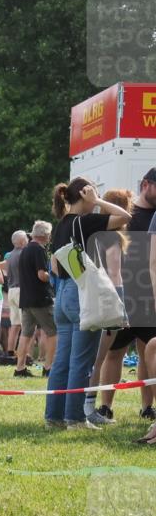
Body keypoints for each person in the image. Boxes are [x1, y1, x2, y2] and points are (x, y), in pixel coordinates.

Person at [45, 178, 131, 429]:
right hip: (81, 292)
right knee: (82, 361)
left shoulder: (61, 224)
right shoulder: (86, 221)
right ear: (84, 194)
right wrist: (98, 201)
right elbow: (124, 216)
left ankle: (54, 417)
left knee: (62, 361)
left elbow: (53, 264)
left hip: (61, 295)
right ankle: (75, 418)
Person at [95, 170, 156, 424]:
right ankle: (105, 406)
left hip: (150, 297)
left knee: (147, 352)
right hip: (123, 295)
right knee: (114, 353)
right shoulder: (127, 217)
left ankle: (147, 407)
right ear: (146, 185)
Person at [14, 221, 58, 378]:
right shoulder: (39, 250)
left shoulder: (24, 250)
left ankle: (19, 368)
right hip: (40, 299)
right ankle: (49, 367)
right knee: (54, 332)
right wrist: (53, 275)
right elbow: (41, 275)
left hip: (26, 299)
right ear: (45, 235)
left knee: (26, 334)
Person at [2, 230, 29, 356]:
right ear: (23, 241)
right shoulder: (24, 253)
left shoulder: (9, 256)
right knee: (26, 325)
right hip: (21, 290)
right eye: (26, 239)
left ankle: (10, 352)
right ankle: (25, 354)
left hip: (11, 290)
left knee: (15, 325)